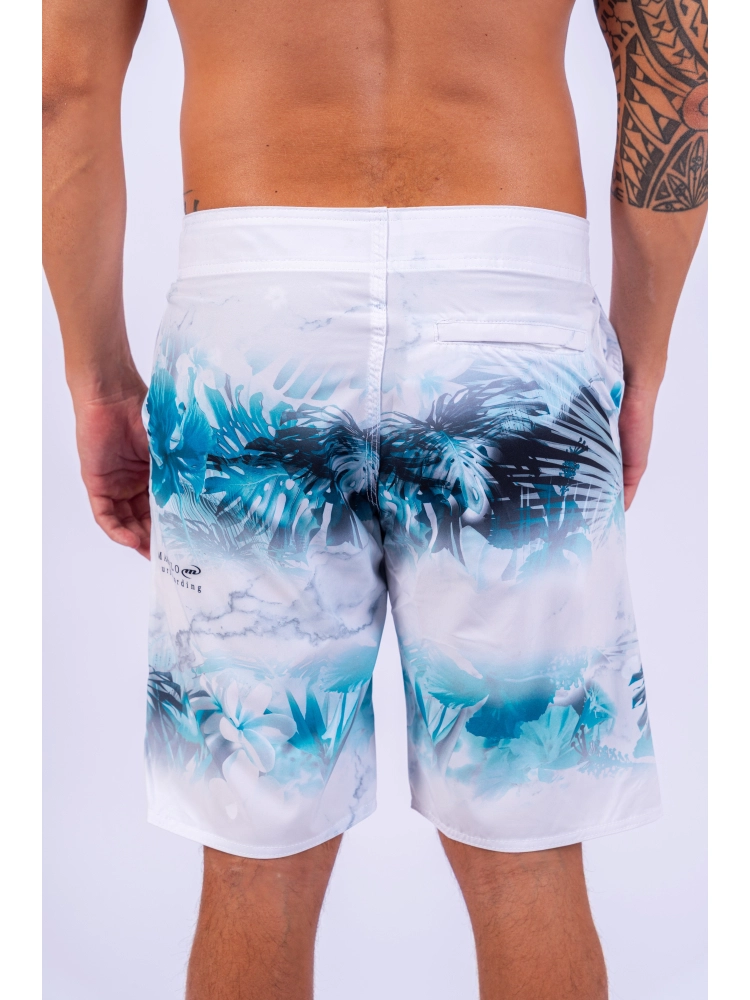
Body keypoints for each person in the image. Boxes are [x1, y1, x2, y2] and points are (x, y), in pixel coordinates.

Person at [42, 0, 707, 997]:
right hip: (513, 306)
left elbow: (63, 89)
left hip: (252, 328)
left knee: (252, 864)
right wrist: (640, 362)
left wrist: (96, 378)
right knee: (529, 858)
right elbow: (682, 77)